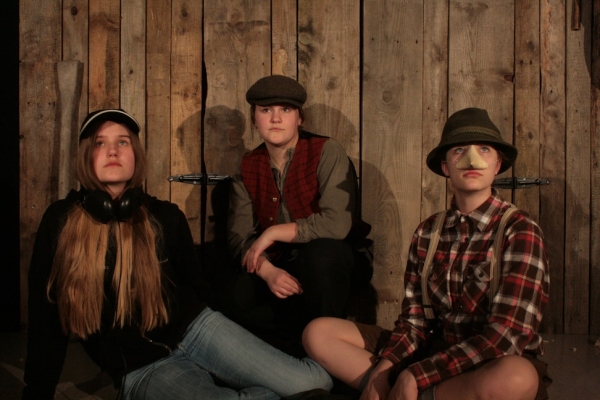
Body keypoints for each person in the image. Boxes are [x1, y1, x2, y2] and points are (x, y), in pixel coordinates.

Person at [22, 108, 334, 400]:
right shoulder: (60, 221)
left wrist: (228, 352)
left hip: (197, 328)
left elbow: (198, 288)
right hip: (142, 368)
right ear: (85, 155)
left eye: (123, 142)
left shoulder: (165, 216)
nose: (113, 151)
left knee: (314, 383)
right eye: (100, 143)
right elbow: (45, 317)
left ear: (136, 154)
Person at [302, 108, 551, 400]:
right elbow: (415, 321)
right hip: (435, 351)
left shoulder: (519, 230)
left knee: (516, 377)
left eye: (484, 149)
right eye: (459, 150)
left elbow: (506, 335)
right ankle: (400, 390)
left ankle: (412, 393)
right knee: (318, 332)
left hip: (488, 362)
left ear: (497, 165)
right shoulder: (428, 232)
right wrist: (385, 369)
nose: (472, 160)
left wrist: (415, 375)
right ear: (445, 166)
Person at [225, 75, 371, 342]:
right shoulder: (248, 164)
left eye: (286, 110)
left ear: (299, 118)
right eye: (265, 110)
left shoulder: (326, 151)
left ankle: (327, 348)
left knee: (321, 258)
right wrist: (268, 271)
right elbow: (240, 237)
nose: (275, 119)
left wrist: (272, 233)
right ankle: (286, 350)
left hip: (333, 258)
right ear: (254, 119)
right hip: (280, 260)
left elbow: (336, 224)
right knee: (235, 294)